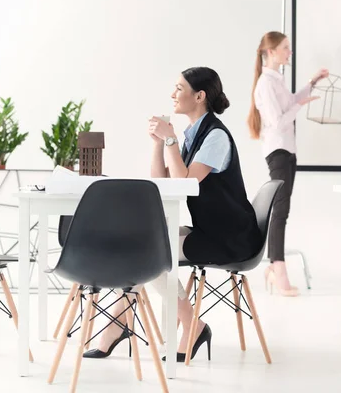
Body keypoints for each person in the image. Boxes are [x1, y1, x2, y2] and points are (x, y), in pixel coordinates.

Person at [83, 66, 263, 361]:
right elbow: (162, 182)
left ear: (200, 95)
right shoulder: (194, 134)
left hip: (231, 238)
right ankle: (122, 325)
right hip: (211, 231)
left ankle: (187, 326)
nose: (172, 94)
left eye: (179, 88)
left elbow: (184, 182)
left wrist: (171, 141)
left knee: (150, 252)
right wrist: (159, 144)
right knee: (142, 248)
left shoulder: (216, 137)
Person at [247, 31, 327, 296]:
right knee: (279, 212)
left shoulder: (276, 80)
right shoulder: (265, 84)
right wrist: (300, 105)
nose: (289, 52)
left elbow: (290, 103)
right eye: (285, 48)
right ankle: (277, 267)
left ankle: (275, 267)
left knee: (284, 211)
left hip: (288, 151)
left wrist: (312, 83)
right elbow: (279, 122)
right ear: (270, 52)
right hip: (278, 151)